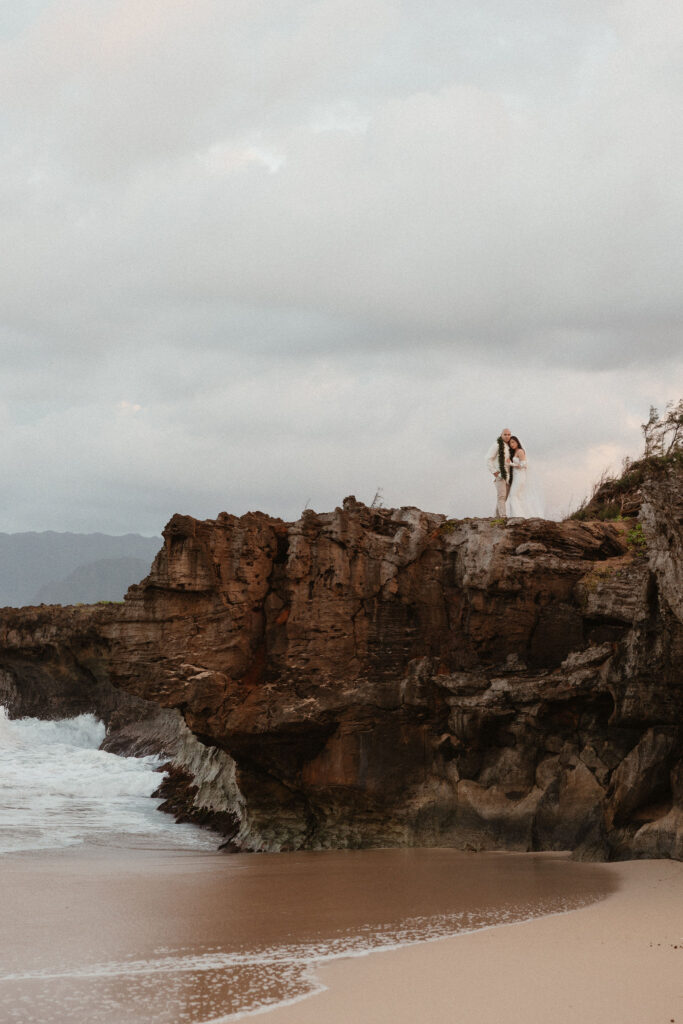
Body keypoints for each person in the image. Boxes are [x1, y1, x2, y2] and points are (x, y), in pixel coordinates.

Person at [506, 436, 544, 518]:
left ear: (517, 442)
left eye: (513, 442)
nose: (511, 444)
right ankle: (518, 515)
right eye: (510, 443)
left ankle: (517, 516)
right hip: (516, 476)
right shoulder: (515, 452)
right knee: (517, 496)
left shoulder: (520, 451)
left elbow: (524, 465)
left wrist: (511, 464)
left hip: (520, 476)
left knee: (513, 495)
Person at [485, 428, 513, 517]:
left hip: (509, 475)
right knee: (501, 496)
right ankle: (503, 516)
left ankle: (496, 516)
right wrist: (494, 472)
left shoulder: (509, 446)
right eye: (505, 434)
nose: (507, 436)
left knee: (504, 497)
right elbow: (488, 458)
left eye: (509, 434)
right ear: (501, 435)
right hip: (500, 475)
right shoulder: (497, 444)